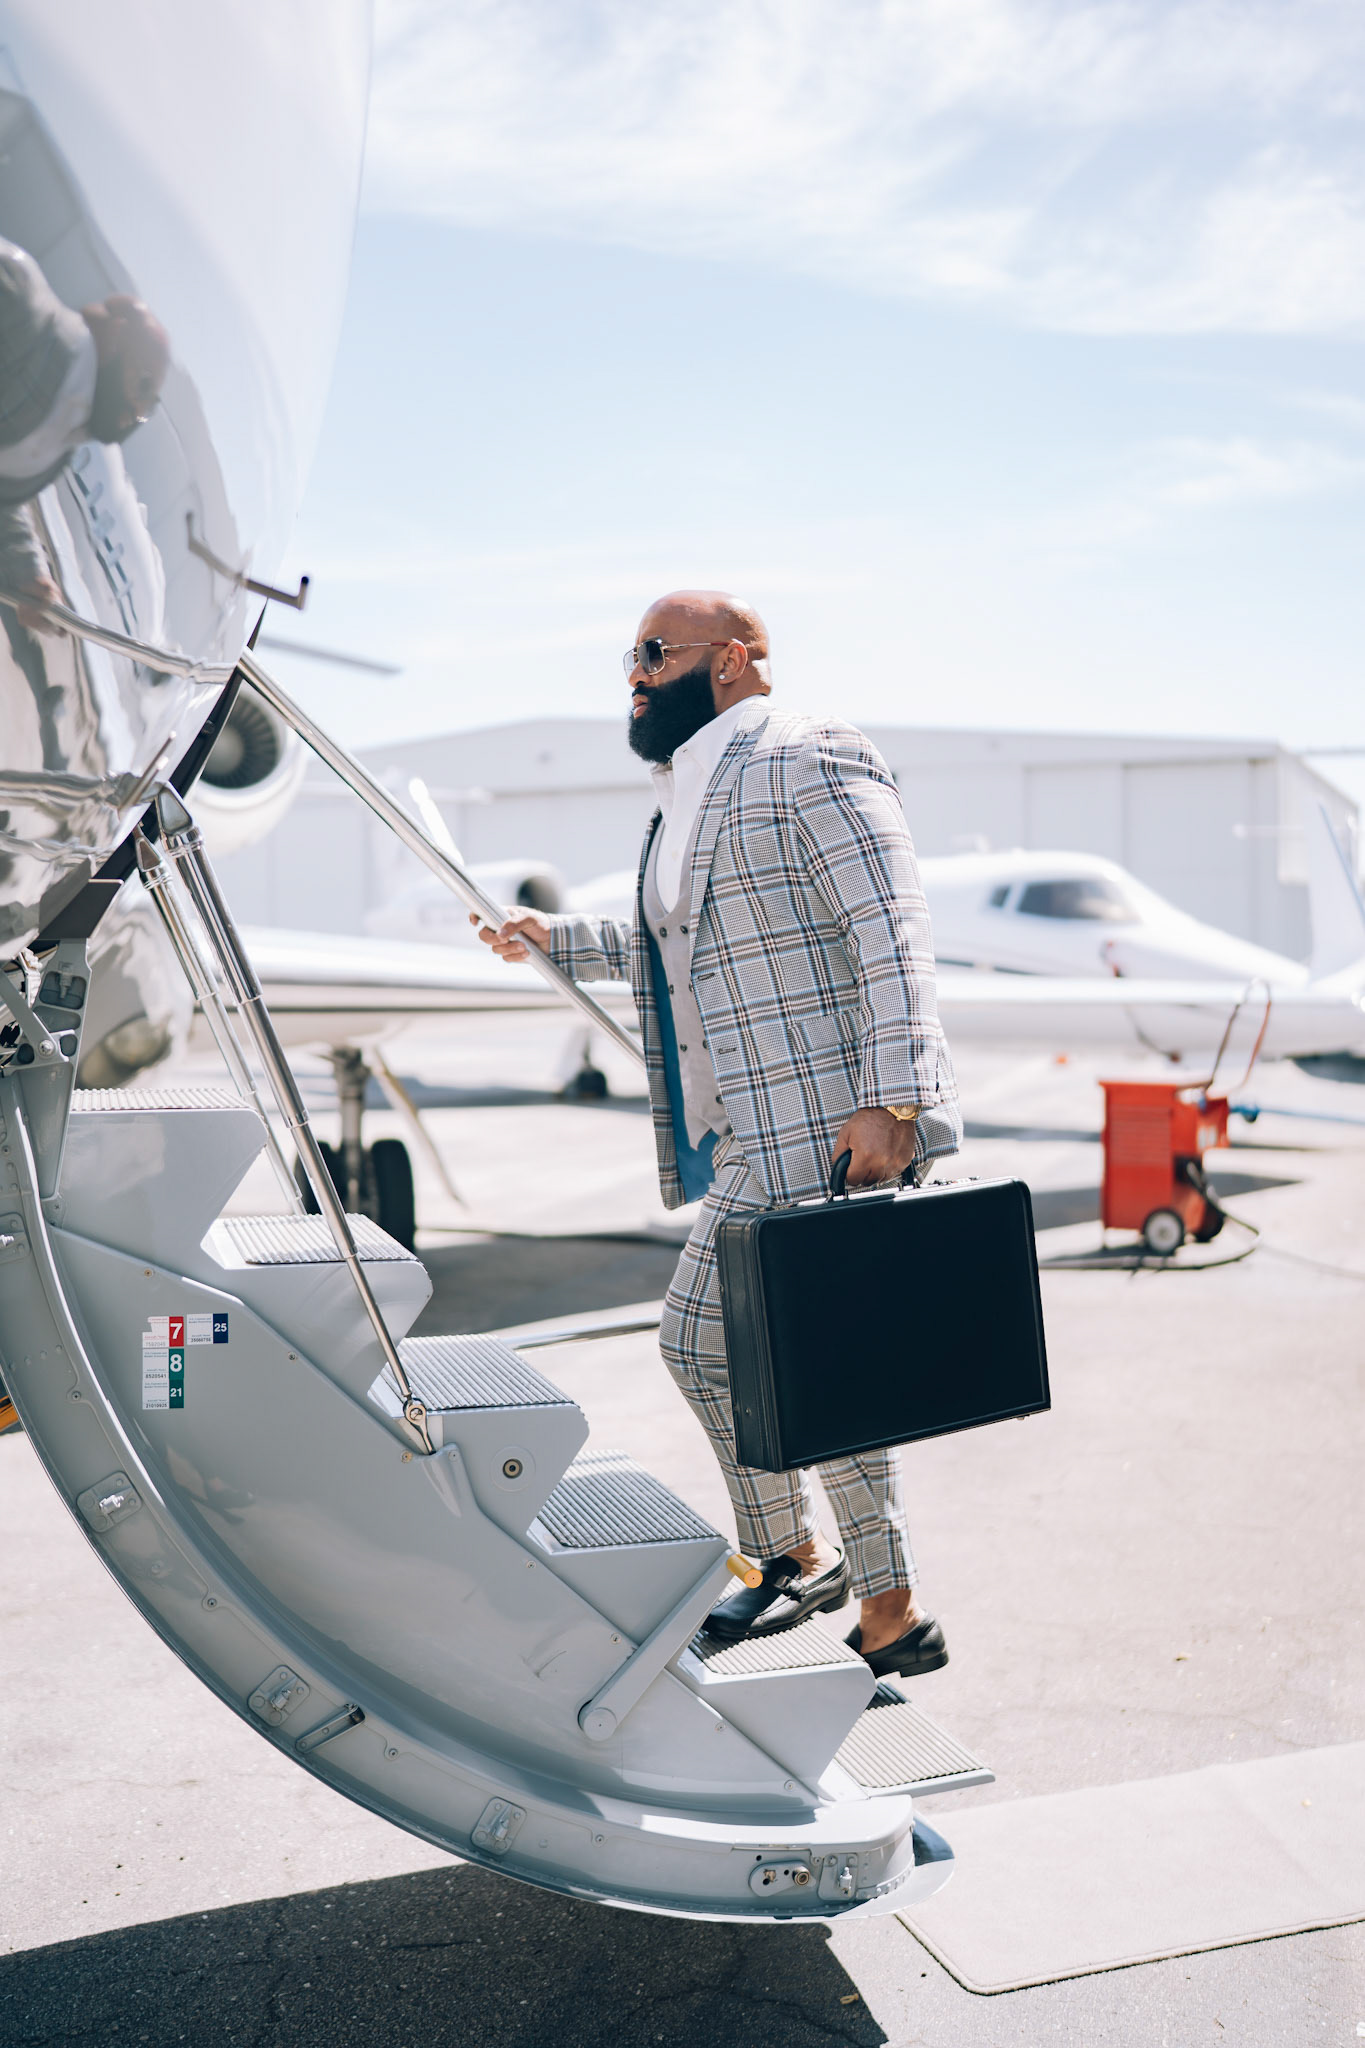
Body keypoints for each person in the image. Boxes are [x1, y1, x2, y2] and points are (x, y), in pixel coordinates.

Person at [477, 590, 961, 1678]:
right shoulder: (682, 795)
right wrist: (555, 939)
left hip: (827, 1120)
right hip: (748, 1127)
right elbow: (679, 944)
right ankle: (882, 1606)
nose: (635, 674)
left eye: (655, 652)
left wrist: (897, 1102)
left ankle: (794, 1555)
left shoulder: (810, 754)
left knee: (705, 1338)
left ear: (733, 660)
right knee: (814, 1357)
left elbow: (893, 929)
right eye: (630, 656)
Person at [0, 235, 169, 618]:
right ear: (115, 335)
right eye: (143, 386)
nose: (136, 413)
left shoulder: (59, 447)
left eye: (149, 406)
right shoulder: (20, 295)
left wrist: (31, 575)